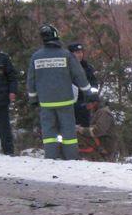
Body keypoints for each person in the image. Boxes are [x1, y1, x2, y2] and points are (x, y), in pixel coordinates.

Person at [26, 24, 96, 160]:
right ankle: (71, 157)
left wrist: (33, 99)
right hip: (65, 101)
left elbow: (31, 79)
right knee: (68, 131)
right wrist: (89, 93)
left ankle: (51, 157)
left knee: (49, 131)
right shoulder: (66, 55)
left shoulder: (36, 57)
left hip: (46, 102)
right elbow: (79, 75)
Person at [77, 97, 119, 161]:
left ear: (95, 103)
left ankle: (100, 158)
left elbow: (99, 130)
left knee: (77, 135)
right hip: (101, 142)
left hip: (105, 145)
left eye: (88, 104)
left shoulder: (104, 113)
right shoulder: (98, 112)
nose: (87, 107)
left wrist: (81, 130)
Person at [68, 42, 99, 127]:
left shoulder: (87, 67)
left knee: (84, 128)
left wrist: (92, 99)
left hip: (84, 103)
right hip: (68, 104)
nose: (80, 55)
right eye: (77, 53)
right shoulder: (65, 68)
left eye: (81, 52)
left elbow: (93, 84)